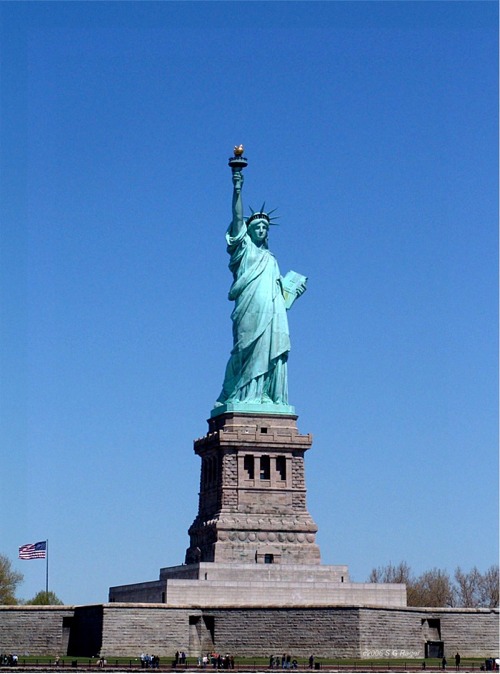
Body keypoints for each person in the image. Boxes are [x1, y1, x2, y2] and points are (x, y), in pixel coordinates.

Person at [215, 168, 306, 409]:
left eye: (265, 227)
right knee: (244, 349)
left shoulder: (271, 259)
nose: (262, 230)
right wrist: (237, 188)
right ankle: (238, 393)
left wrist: (293, 293)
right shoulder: (243, 249)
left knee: (270, 351)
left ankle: (265, 394)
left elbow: (281, 296)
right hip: (249, 308)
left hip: (273, 313)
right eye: (257, 227)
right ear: (249, 230)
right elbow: (237, 218)